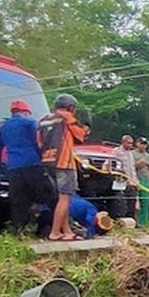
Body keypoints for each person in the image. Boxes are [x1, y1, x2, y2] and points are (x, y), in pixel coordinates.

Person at [0, 98, 52, 234]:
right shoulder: (30, 123)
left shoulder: (2, 128)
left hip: (13, 169)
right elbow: (38, 144)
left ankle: (19, 232)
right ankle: (49, 228)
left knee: (19, 202)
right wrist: (45, 162)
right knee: (49, 196)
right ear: (25, 112)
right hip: (32, 165)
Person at [37, 93, 87, 241]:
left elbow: (39, 142)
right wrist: (85, 128)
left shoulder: (43, 120)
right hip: (64, 162)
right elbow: (80, 136)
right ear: (71, 107)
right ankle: (55, 232)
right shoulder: (67, 117)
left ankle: (67, 231)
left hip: (47, 161)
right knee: (65, 198)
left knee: (60, 199)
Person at [37, 194, 114, 239]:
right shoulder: (92, 212)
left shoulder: (90, 206)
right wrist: (91, 234)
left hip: (48, 207)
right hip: (62, 214)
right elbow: (89, 222)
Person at [113, 135, 139, 220]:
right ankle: (119, 218)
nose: (130, 145)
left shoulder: (131, 154)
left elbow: (133, 169)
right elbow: (111, 164)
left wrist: (136, 181)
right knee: (120, 200)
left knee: (132, 200)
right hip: (120, 180)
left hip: (131, 181)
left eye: (131, 143)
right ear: (123, 142)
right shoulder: (116, 151)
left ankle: (131, 219)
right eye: (128, 143)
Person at [134, 138, 149, 227]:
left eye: (145, 144)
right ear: (137, 143)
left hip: (146, 180)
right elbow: (130, 167)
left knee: (145, 202)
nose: (143, 145)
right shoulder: (132, 154)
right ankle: (135, 221)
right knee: (135, 202)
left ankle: (143, 222)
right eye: (142, 143)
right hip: (135, 179)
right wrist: (138, 164)